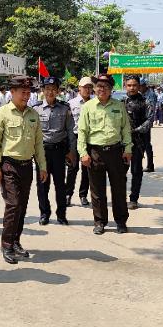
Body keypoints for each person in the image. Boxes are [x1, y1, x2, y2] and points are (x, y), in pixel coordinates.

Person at [0, 75, 47, 264]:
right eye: (23, 92)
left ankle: (16, 241)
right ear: (12, 92)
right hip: (9, 165)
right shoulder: (1, 113)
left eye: (28, 92)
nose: (26, 96)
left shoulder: (33, 114)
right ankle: (6, 245)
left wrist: (42, 166)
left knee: (21, 206)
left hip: (26, 166)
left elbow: (38, 144)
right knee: (13, 205)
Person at [78, 73, 132, 235]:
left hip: (115, 152)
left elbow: (125, 129)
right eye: (99, 86)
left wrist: (128, 149)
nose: (102, 89)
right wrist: (83, 153)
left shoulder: (119, 105)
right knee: (97, 190)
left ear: (111, 89)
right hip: (95, 152)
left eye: (106, 87)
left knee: (119, 189)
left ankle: (121, 221)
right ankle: (100, 222)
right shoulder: (88, 107)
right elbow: (82, 131)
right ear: (94, 89)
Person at [34, 76, 77, 225]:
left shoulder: (65, 108)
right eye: (47, 89)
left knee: (60, 185)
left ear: (58, 91)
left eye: (53, 89)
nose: (50, 92)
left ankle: (61, 215)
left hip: (59, 151)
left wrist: (71, 151)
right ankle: (44, 213)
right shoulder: (36, 109)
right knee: (42, 185)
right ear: (43, 90)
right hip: (43, 152)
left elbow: (70, 131)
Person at [124, 75, 154, 209]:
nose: (132, 88)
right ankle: (120, 198)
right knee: (120, 171)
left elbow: (149, 120)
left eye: (134, 85)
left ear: (139, 86)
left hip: (138, 141)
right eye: (129, 85)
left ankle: (133, 199)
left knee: (136, 171)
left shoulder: (145, 101)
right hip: (121, 143)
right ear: (125, 86)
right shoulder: (120, 102)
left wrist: (135, 130)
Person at [66, 77, 94, 207]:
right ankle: (68, 194)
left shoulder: (95, 103)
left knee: (86, 167)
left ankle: (83, 195)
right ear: (79, 88)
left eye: (89, 87)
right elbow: (66, 124)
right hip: (74, 137)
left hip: (89, 139)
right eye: (85, 87)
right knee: (72, 167)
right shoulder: (70, 104)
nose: (87, 90)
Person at [141, 79, 156, 170]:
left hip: (146, 123)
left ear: (144, 86)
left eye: (140, 86)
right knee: (141, 144)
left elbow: (151, 111)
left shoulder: (151, 95)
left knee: (146, 144)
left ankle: (150, 165)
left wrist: (148, 123)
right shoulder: (140, 94)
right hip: (140, 122)